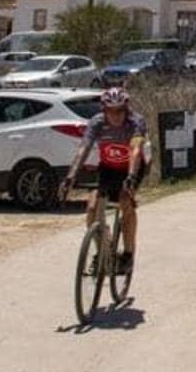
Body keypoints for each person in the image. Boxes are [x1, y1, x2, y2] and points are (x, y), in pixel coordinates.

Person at [59, 87, 148, 273]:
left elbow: (136, 150)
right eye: (111, 111)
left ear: (127, 109)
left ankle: (128, 255)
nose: (116, 115)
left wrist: (131, 177)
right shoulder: (97, 123)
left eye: (120, 111)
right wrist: (70, 176)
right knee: (92, 208)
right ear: (103, 110)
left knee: (125, 202)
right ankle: (103, 251)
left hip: (133, 166)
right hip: (108, 168)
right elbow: (83, 149)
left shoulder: (136, 122)